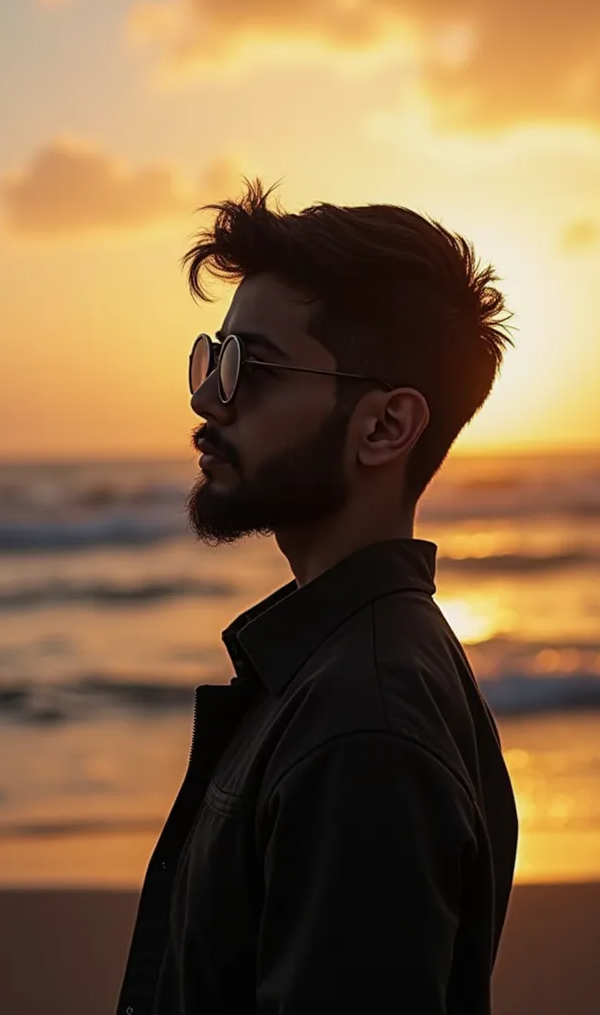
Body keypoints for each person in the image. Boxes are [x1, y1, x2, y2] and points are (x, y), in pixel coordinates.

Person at [116, 178, 518, 1015]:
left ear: (384, 427)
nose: (207, 398)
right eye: (212, 357)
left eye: (250, 367)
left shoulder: (364, 725)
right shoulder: (340, 669)